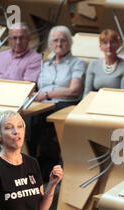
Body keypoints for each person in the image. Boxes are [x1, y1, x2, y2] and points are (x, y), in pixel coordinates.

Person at [31, 25, 85, 181]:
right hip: (42, 103)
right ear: (50, 44)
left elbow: (74, 91)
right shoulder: (43, 64)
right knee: (25, 118)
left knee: (40, 117)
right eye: (55, 40)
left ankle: (53, 165)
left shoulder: (77, 63)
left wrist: (47, 94)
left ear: (69, 43)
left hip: (65, 103)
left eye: (63, 41)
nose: (59, 44)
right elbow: (35, 87)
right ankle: (30, 161)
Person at [83, 29, 124, 96]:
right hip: (95, 103)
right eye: (105, 43)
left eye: (112, 42)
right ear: (100, 47)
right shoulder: (93, 65)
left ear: (118, 45)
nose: (109, 46)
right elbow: (87, 93)